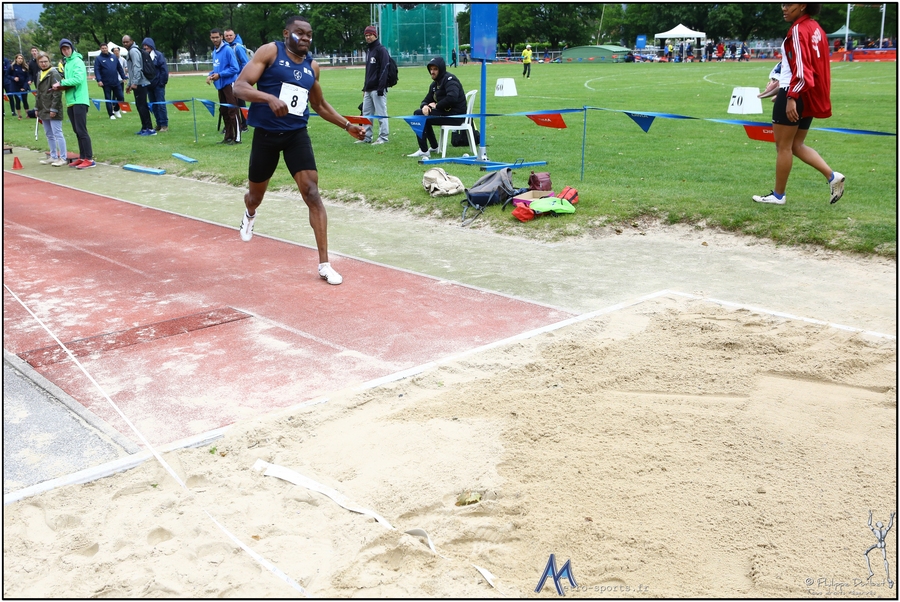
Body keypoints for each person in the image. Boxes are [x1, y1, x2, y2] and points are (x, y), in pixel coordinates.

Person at [232, 15, 365, 285]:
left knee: (312, 193)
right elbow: (239, 87)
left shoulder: (311, 66)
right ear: (286, 33)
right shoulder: (270, 52)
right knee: (255, 196)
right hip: (266, 135)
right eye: (300, 33)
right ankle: (250, 213)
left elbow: (319, 105)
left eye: (309, 34)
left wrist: (347, 125)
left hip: (296, 135)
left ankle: (325, 264)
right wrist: (268, 98)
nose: (305, 38)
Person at [752, 3, 844, 206]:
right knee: (796, 145)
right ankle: (832, 176)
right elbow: (802, 65)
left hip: (794, 92)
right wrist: (779, 86)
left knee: (783, 147)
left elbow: (802, 69)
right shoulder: (816, 28)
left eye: (788, 4)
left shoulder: (798, 30)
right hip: (806, 93)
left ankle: (778, 195)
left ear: (802, 5)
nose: (783, 8)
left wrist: (790, 96)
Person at [406, 57, 466, 160]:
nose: (432, 72)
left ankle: (424, 151)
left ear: (441, 69)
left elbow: (452, 97)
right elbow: (426, 100)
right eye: (431, 69)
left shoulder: (450, 80)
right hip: (446, 114)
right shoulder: (435, 84)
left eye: (435, 69)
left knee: (418, 115)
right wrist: (425, 106)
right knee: (422, 114)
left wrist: (437, 106)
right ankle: (434, 147)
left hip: (455, 116)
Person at [53, 39, 94, 169]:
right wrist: (61, 86)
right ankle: (82, 157)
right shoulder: (67, 63)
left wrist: (61, 83)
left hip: (80, 100)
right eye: (63, 49)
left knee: (82, 130)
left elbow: (78, 79)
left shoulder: (77, 61)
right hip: (71, 101)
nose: (66, 51)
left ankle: (89, 159)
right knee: (77, 130)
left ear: (72, 48)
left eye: (67, 48)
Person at [207, 28, 241, 145]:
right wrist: (210, 75)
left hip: (229, 84)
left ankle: (237, 138)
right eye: (213, 37)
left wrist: (220, 75)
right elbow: (217, 68)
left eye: (217, 37)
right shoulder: (215, 51)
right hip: (220, 85)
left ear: (221, 37)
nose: (215, 39)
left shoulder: (227, 50)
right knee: (224, 111)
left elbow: (235, 68)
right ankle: (228, 137)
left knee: (232, 110)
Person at [359, 25, 390, 145]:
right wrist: (364, 88)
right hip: (368, 89)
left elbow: (385, 69)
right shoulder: (369, 51)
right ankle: (367, 137)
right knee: (366, 114)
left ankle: (383, 137)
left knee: (381, 114)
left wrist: (381, 87)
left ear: (375, 35)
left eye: (370, 35)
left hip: (378, 88)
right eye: (366, 35)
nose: (368, 37)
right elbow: (368, 72)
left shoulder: (381, 50)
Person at [35, 52, 68, 166]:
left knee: (57, 133)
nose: (43, 64)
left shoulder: (54, 73)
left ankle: (63, 157)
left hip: (53, 108)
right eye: (41, 62)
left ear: (49, 61)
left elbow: (57, 93)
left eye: (45, 61)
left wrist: (54, 109)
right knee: (49, 134)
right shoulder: (39, 73)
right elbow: (38, 92)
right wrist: (36, 107)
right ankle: (53, 156)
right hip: (43, 108)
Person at [122, 34, 156, 135]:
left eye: (127, 42)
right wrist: (129, 84)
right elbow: (131, 70)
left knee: (142, 106)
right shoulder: (131, 51)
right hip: (138, 82)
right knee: (140, 105)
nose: (125, 44)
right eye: (123, 42)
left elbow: (137, 67)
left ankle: (149, 129)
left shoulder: (133, 51)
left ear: (132, 41)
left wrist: (135, 83)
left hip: (141, 83)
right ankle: (144, 128)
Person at [224, 29, 250, 132]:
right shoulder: (225, 48)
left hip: (238, 80)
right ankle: (231, 125)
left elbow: (246, 64)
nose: (229, 37)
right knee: (229, 103)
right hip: (228, 80)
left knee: (240, 103)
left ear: (234, 36)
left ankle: (244, 125)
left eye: (230, 35)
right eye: (227, 36)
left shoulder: (238, 47)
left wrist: (240, 78)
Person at [142, 38, 169, 132]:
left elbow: (164, 70)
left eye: (147, 45)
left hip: (159, 85)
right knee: (153, 106)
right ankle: (158, 123)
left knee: (161, 105)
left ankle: (164, 124)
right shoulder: (143, 56)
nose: (145, 47)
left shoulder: (158, 55)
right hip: (149, 86)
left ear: (151, 45)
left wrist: (162, 83)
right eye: (144, 45)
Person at [94, 43, 126, 119]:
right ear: (100, 49)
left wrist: (123, 77)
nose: (104, 49)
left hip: (116, 81)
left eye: (105, 48)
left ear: (107, 48)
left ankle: (116, 110)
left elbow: (119, 68)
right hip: (106, 83)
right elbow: (97, 70)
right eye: (102, 48)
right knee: (108, 99)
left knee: (121, 97)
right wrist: (99, 80)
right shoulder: (98, 59)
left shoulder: (113, 57)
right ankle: (111, 114)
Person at [7, 53, 31, 118]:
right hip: (15, 86)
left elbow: (27, 77)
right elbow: (7, 75)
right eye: (19, 58)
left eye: (21, 58)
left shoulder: (25, 67)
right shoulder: (12, 67)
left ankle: (27, 114)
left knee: (25, 100)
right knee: (17, 101)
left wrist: (24, 87)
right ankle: (19, 115)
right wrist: (13, 78)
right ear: (16, 59)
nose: (20, 60)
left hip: (24, 86)